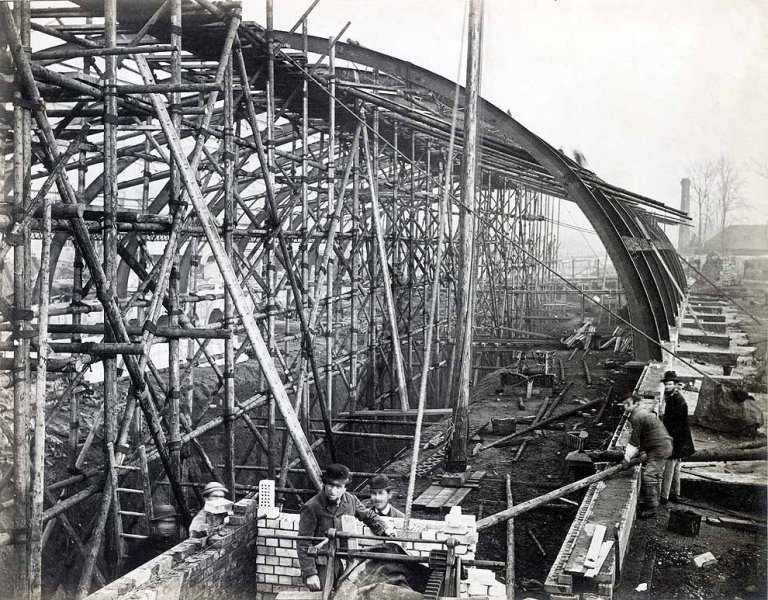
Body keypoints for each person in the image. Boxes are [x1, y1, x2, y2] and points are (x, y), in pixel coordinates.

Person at [298, 463, 394, 592]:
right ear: (324, 484)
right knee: (322, 595)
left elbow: (367, 515)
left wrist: (384, 528)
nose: (333, 490)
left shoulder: (350, 500)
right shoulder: (312, 507)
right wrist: (310, 573)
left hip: (345, 561)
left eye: (338, 486)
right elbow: (303, 542)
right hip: (322, 564)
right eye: (330, 485)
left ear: (345, 488)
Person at [621, 393, 673, 519]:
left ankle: (651, 508)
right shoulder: (643, 411)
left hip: (658, 449)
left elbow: (634, 441)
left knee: (648, 476)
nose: (625, 407)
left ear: (636, 403)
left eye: (628, 404)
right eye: (624, 405)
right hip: (663, 445)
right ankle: (655, 502)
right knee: (657, 475)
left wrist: (626, 459)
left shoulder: (637, 416)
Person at [660, 371, 695, 504]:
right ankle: (676, 493)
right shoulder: (675, 398)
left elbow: (676, 425)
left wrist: (668, 440)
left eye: (669, 384)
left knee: (668, 469)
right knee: (676, 469)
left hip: (676, 440)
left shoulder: (676, 401)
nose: (667, 387)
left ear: (675, 385)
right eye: (666, 384)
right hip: (681, 440)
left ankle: (664, 497)